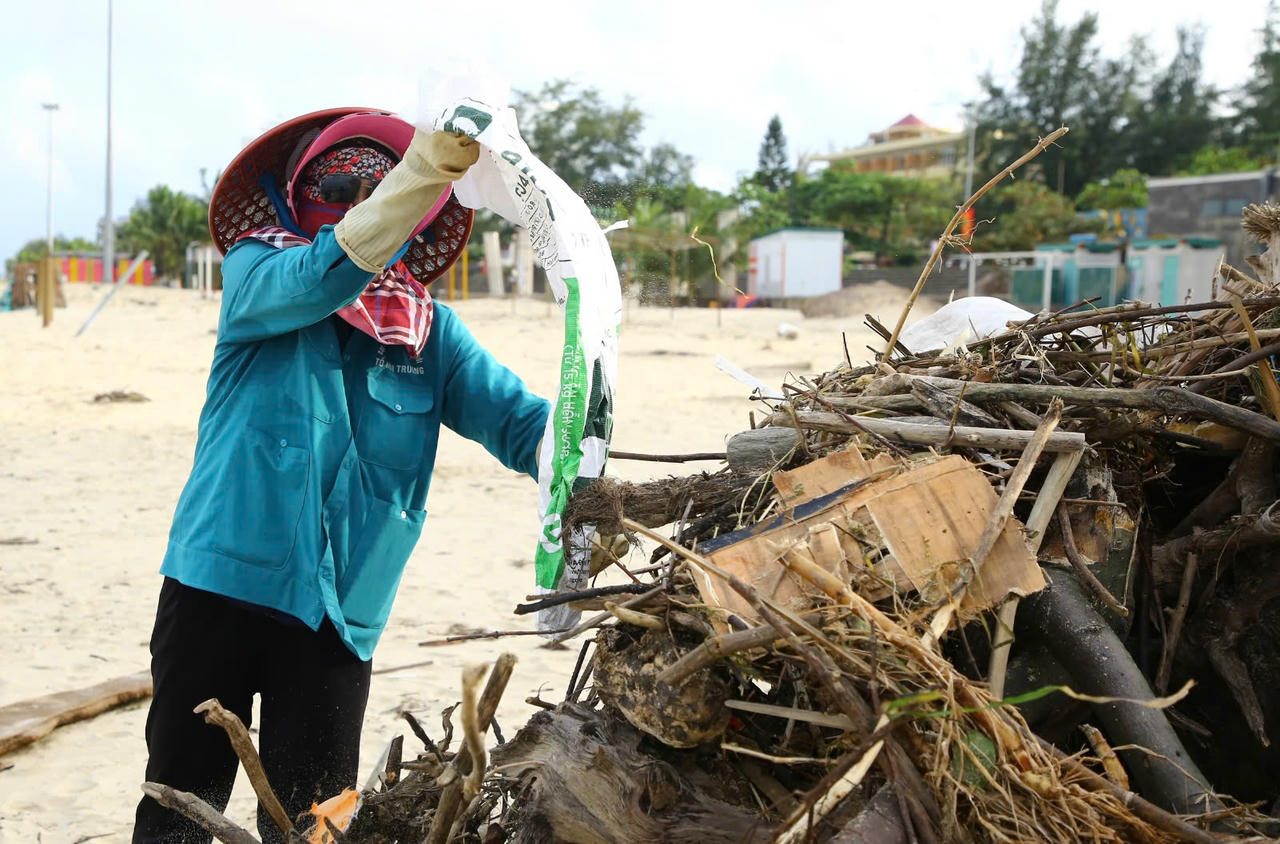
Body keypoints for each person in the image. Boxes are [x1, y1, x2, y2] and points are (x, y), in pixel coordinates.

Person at [133, 109, 550, 843]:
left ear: (414, 216)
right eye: (337, 184)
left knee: (317, 824)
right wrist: (420, 174)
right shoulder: (259, 275)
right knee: (179, 808)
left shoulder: (431, 335)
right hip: (217, 587)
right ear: (298, 195)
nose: (360, 200)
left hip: (338, 617)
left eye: (383, 185)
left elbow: (522, 426)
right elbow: (325, 272)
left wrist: (579, 444)